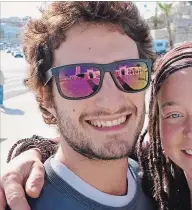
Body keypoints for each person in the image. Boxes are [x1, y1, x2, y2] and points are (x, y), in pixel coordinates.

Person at [1, 40, 192, 210]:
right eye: (174, 114)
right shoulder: (152, 170)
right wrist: (29, 153)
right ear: (156, 122)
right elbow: (82, 147)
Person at [0, 1, 156, 210]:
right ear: (45, 96)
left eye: (129, 72)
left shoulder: (159, 184)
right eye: (79, 77)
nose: (111, 101)